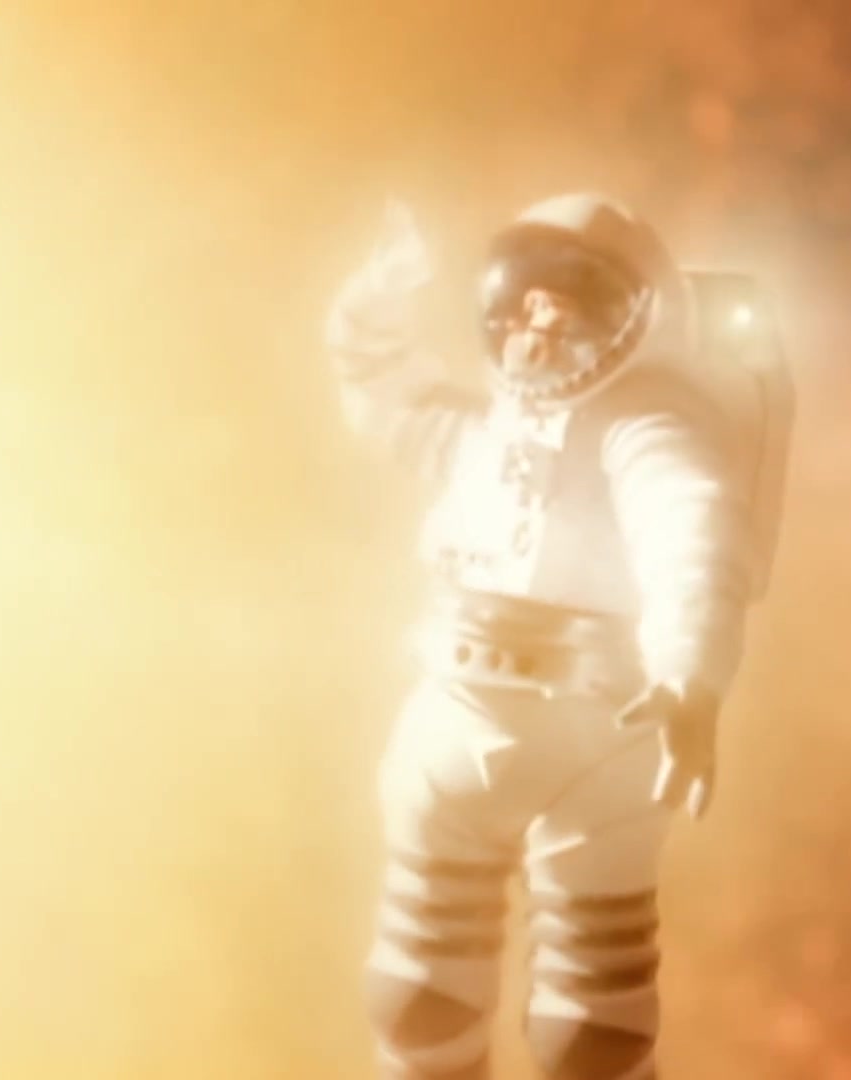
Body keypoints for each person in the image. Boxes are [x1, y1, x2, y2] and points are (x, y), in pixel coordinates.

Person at [326, 194, 781, 1080]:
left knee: (593, 1028)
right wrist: (381, 289)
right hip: (456, 712)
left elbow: (692, 539)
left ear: (637, 318)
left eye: (570, 306)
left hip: (602, 728)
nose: (539, 327)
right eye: (526, 302)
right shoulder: (477, 433)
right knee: (418, 995)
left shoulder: (647, 429)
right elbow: (376, 384)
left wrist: (688, 673)